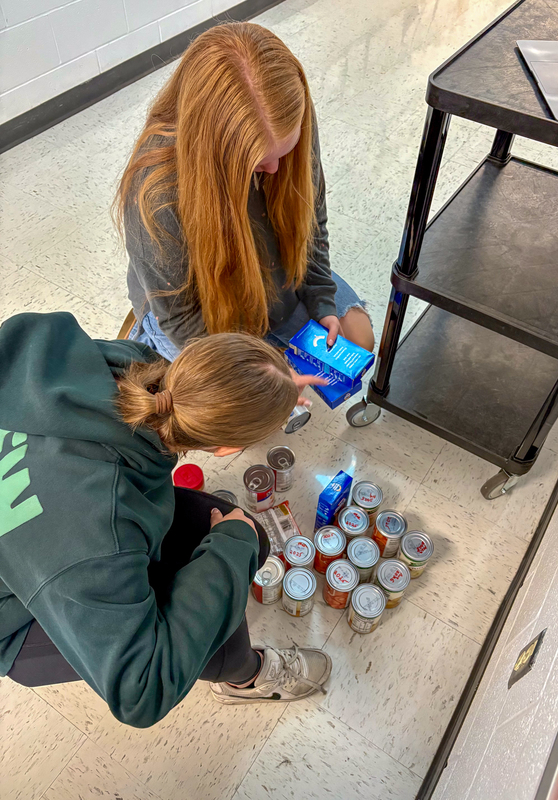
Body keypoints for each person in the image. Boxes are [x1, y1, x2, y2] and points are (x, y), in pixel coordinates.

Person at [0, 311, 331, 728]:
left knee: (240, 539)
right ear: (227, 448)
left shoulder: (101, 355)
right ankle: (244, 678)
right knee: (217, 584)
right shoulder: (99, 535)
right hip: (13, 620)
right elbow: (141, 691)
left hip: (51, 524)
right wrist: (227, 550)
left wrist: (267, 387)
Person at [116, 22, 374, 362]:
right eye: (256, 162)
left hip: (272, 269)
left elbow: (312, 221)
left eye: (283, 152)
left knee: (358, 338)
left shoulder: (284, 116)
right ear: (212, 147)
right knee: (253, 405)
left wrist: (321, 298)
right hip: (201, 307)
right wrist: (253, 376)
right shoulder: (156, 190)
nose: (275, 170)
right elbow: (182, 319)